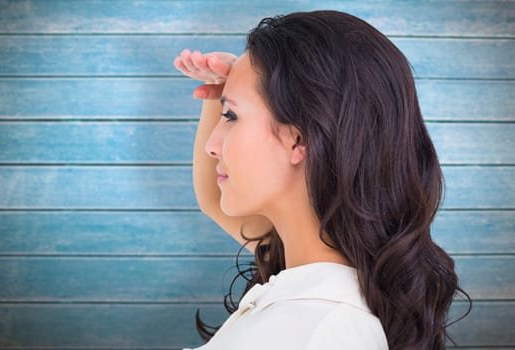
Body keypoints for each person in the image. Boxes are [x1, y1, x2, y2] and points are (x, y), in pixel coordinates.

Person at [174, 10, 469, 350]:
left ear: (298, 140)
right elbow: (214, 198)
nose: (213, 146)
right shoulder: (333, 275)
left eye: (232, 117)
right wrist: (227, 93)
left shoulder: (315, 330)